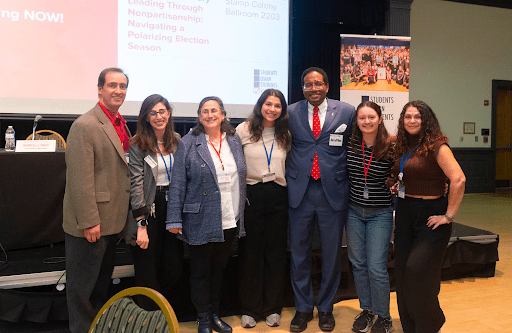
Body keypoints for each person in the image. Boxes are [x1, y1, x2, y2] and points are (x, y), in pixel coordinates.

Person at [166, 96, 247, 333]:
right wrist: (174, 219)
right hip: (200, 217)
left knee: (219, 270)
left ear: (223, 114)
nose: (209, 115)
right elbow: (178, 182)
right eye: (204, 111)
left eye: (214, 111)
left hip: (229, 216)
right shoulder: (189, 142)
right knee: (201, 272)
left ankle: (214, 314)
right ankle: (202, 317)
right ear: (199, 116)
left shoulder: (233, 139)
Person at [286, 67, 355, 332]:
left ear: (327, 86)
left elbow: (356, 143)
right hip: (300, 191)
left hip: (332, 192)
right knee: (299, 254)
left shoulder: (346, 112)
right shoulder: (290, 112)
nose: (313, 88)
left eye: (318, 84)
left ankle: (326, 308)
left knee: (331, 255)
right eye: (307, 84)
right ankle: (303, 309)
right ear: (302, 88)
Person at [63, 67, 131, 333]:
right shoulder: (85, 125)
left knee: (100, 286)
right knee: (82, 290)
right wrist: (89, 221)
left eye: (123, 86)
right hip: (91, 225)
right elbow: (79, 180)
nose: (118, 91)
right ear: (100, 89)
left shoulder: (120, 123)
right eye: (112, 85)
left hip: (111, 222)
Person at [391, 100, 466, 333]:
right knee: (402, 273)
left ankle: (430, 323)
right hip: (405, 212)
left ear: (426, 120)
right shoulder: (402, 144)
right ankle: (410, 326)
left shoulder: (437, 146)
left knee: (418, 272)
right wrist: (395, 184)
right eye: (408, 117)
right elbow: (401, 172)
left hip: (431, 217)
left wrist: (449, 215)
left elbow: (458, 179)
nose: (412, 121)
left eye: (417, 117)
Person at [235, 89, 291, 328]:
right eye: (268, 104)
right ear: (260, 105)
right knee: (251, 253)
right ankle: (250, 308)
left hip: (278, 194)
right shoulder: (243, 130)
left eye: (277, 106)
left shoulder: (285, 133)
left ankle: (272, 308)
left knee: (276, 253)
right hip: (252, 195)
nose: (272, 109)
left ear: (282, 110)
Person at [126, 94, 183, 310]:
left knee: (174, 267)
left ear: (168, 113)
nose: (159, 116)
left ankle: (164, 311)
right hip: (149, 207)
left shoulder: (176, 140)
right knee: (147, 269)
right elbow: (136, 184)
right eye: (153, 113)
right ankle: (148, 318)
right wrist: (141, 225)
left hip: (173, 206)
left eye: (162, 111)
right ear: (146, 117)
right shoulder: (138, 144)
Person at [346, 102, 395, 333]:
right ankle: (366, 310)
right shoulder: (351, 144)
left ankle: (384, 317)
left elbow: (402, 175)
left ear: (380, 118)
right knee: (358, 264)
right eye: (362, 118)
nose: (367, 122)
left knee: (376, 267)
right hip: (354, 211)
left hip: (380, 214)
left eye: (371, 117)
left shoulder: (391, 147)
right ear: (357, 120)